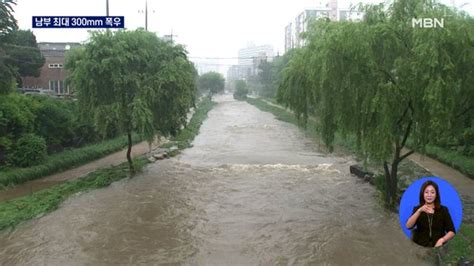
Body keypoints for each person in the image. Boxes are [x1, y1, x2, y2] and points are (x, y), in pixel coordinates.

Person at [405, 180, 456, 247]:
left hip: (438, 246)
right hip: (420, 245)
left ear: (436, 194)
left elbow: (452, 231)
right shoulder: (417, 209)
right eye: (426, 192)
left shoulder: (443, 210)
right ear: (422, 194)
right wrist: (419, 211)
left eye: (432, 192)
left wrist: (442, 240)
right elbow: (408, 226)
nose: (429, 195)